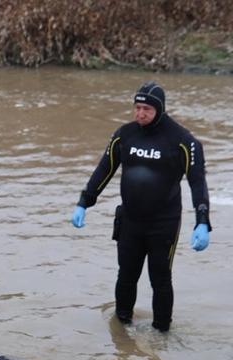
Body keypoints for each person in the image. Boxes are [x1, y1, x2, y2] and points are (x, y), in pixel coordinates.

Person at [71, 82, 211, 331]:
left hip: (164, 223)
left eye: (146, 108)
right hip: (130, 220)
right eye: (137, 107)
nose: (140, 113)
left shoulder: (183, 141)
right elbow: (104, 169)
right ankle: (122, 329)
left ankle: (162, 332)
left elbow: (197, 182)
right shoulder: (125, 135)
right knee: (126, 275)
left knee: (160, 278)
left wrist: (202, 220)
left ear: (160, 109)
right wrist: (84, 201)